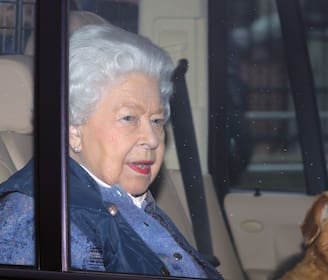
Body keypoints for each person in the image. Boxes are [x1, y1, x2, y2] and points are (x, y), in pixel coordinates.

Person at [0, 24, 223, 279]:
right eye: (129, 118)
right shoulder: (42, 222)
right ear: (73, 129)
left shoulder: (128, 202)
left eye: (157, 121)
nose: (152, 139)